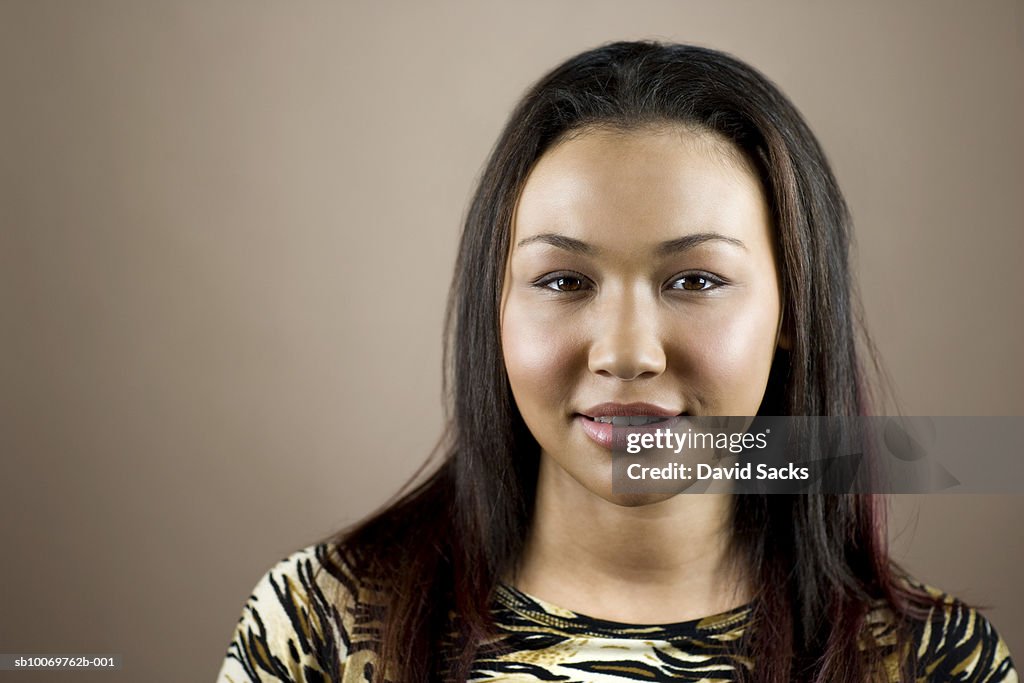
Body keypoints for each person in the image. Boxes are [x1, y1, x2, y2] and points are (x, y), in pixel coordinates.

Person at [215, 41, 1017, 683]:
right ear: (493, 308)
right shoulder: (316, 624)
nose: (627, 352)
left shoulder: (935, 662)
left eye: (695, 280)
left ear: (792, 312)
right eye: (564, 280)